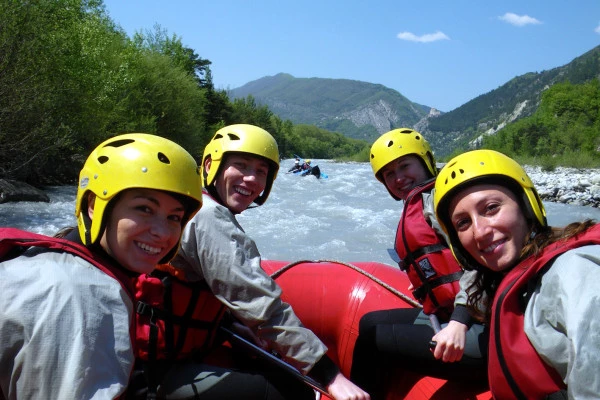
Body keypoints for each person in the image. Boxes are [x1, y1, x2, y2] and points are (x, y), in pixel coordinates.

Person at [166, 124, 370, 400]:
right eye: (241, 165)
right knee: (294, 392)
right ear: (211, 165)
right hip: (161, 367)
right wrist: (330, 375)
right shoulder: (210, 217)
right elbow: (261, 306)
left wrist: (231, 324)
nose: (251, 179)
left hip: (180, 347)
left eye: (261, 171)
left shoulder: (196, 205)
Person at [0, 134, 203, 399]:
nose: (163, 233)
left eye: (174, 217)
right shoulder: (82, 297)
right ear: (95, 206)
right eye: (144, 209)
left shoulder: (60, 257)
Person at [433, 149, 600, 399]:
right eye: (463, 223)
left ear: (526, 207)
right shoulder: (504, 273)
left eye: (491, 208)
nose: (479, 232)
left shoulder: (574, 271)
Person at [350, 128, 488, 399]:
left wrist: (459, 322)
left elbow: (482, 264)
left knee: (371, 342)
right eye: (389, 174)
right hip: (447, 313)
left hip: (481, 324)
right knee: (368, 323)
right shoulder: (420, 201)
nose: (399, 178)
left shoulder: (441, 202)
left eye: (404, 165)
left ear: (425, 162)